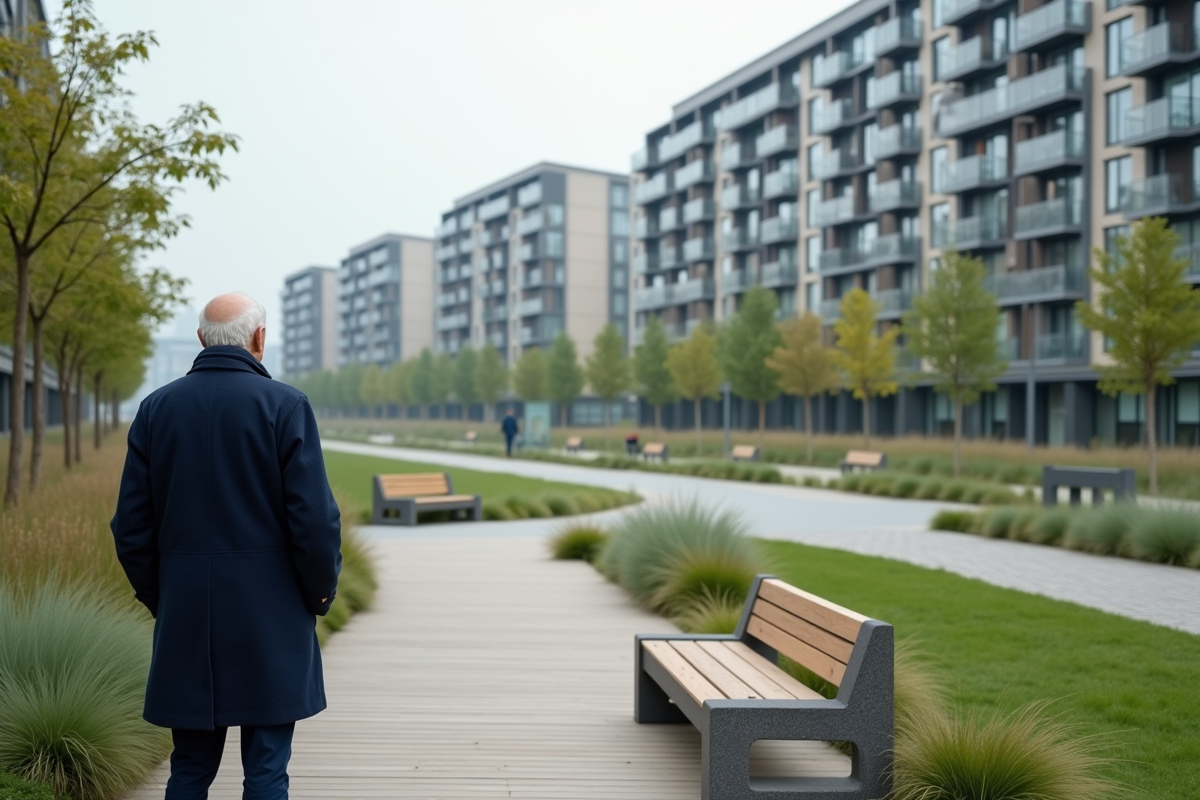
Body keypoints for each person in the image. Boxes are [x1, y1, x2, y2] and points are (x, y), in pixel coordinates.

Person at [111, 293, 342, 800]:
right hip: (273, 617)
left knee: (189, 770)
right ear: (260, 339)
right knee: (266, 772)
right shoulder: (286, 405)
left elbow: (130, 527)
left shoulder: (155, 409)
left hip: (187, 616)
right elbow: (315, 524)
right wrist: (318, 595)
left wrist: (163, 596)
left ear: (200, 340)